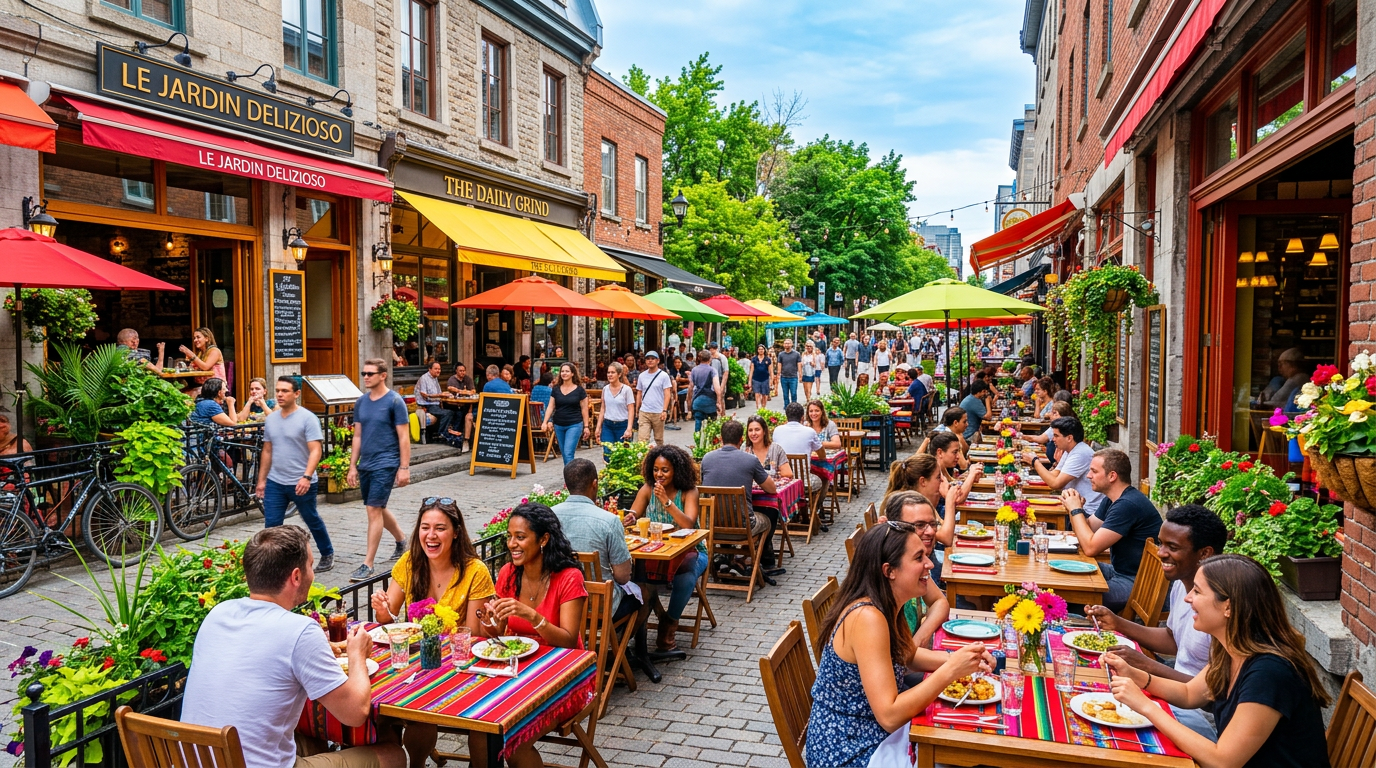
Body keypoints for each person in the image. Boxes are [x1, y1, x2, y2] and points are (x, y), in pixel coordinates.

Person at [181, 526, 407, 768]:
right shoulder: (299, 631)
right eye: (311, 565)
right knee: (393, 755)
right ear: (296, 576)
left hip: (197, 759)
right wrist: (357, 656)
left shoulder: (219, 613)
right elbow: (355, 713)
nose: (314, 573)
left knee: (311, 737)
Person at [1105, 554, 1331, 768]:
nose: (1188, 598)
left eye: (1197, 591)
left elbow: (1223, 761)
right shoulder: (1232, 648)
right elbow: (1188, 693)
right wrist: (1136, 676)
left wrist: (1146, 707)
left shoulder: (1269, 672)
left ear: (1229, 607)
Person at [805, 522, 993, 767]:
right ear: (889, 571)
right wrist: (950, 671)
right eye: (919, 558)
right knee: (968, 753)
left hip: (868, 734)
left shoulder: (887, 602)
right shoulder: (867, 618)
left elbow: (907, 655)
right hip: (850, 750)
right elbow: (889, 716)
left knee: (964, 738)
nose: (930, 564)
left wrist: (962, 659)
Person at [369, 497, 496, 766]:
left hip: (459, 670)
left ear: (456, 532)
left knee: (423, 711)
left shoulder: (475, 571)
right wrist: (381, 608)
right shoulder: (409, 563)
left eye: (440, 528)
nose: (431, 535)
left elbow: (473, 636)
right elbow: (388, 618)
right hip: (415, 667)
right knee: (376, 705)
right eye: (425, 527)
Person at [1085, 504, 1225, 740]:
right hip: (1170, 691)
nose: (1161, 553)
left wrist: (1147, 667)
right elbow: (1173, 639)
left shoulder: (1221, 610)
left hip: (1196, 714)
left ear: (1204, 553)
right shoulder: (1181, 584)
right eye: (1161, 544)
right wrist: (1118, 622)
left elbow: (1209, 696)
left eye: (1172, 547)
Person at [484, 503, 588, 768]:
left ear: (543, 539)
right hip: (516, 671)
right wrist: (489, 622)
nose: (512, 544)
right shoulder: (509, 573)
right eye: (509, 536)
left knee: (512, 737)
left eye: (520, 537)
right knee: (480, 724)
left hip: (563, 677)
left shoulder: (568, 577)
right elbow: (498, 631)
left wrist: (532, 615)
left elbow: (568, 641)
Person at [1062, 448, 1162, 612]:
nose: (1088, 476)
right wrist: (1074, 507)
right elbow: (1089, 527)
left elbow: (1090, 548)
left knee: (1070, 598)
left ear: (1112, 476)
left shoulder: (1127, 505)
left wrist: (1075, 510)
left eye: (1094, 471)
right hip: (1120, 571)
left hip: (1138, 583)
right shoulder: (1114, 499)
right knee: (1067, 573)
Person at [256, 376, 334, 573]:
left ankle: (327, 553)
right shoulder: (272, 419)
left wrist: (307, 476)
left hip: (301, 481)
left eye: (285, 391)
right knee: (272, 525)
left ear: (296, 394)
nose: (280, 394)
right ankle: (274, 562)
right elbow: (267, 450)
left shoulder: (308, 418)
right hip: (276, 480)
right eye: (278, 391)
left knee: (311, 518)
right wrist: (262, 480)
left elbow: (316, 450)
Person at [346, 359, 409, 582]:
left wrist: (403, 467)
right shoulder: (361, 402)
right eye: (364, 373)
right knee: (377, 507)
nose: (365, 377)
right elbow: (358, 436)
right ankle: (402, 539)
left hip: (387, 461)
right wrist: (352, 465)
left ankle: (368, 564)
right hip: (367, 463)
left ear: (383, 375)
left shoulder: (394, 401)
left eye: (370, 373)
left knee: (373, 509)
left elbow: (403, 436)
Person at [700, 421, 782, 578]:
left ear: (721, 439)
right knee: (769, 515)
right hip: (743, 527)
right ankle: (756, 558)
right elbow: (771, 489)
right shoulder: (750, 460)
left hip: (712, 525)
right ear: (741, 440)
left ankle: (728, 557)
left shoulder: (707, 458)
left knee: (725, 510)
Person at [881, 491, 951, 649]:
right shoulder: (892, 571)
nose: (931, 532)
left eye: (933, 524)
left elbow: (940, 602)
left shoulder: (917, 564)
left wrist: (916, 643)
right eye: (919, 525)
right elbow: (897, 662)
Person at [1023, 415, 1104, 513]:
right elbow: (1054, 475)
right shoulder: (1070, 450)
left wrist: (1034, 461)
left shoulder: (1081, 453)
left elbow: (1055, 484)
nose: (1053, 439)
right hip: (1074, 504)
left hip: (1087, 510)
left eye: (1056, 436)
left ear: (1069, 438)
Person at [544, 362, 589, 466]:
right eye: (562, 371)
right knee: (564, 454)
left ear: (572, 373)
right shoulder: (555, 389)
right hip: (559, 425)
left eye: (567, 371)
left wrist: (586, 426)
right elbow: (551, 406)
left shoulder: (580, 390)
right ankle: (569, 477)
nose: (564, 373)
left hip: (574, 424)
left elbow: (584, 409)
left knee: (568, 453)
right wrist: (545, 421)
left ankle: (570, 480)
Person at [636, 350, 675, 445]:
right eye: (648, 359)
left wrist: (665, 410)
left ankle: (658, 458)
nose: (650, 361)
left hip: (658, 412)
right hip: (644, 411)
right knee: (642, 440)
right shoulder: (642, 376)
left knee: (658, 439)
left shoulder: (663, 376)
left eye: (652, 359)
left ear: (657, 361)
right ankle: (643, 459)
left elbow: (667, 394)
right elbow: (639, 393)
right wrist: (637, 409)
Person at [745, 415, 793, 479]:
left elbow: (788, 473)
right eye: (750, 430)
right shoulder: (744, 450)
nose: (753, 433)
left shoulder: (776, 449)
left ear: (764, 431)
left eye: (757, 430)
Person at [413, 359, 452, 437]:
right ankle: (441, 433)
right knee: (448, 413)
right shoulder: (424, 378)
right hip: (427, 405)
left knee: (455, 410)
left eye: (439, 369)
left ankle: (449, 432)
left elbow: (439, 393)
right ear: (430, 369)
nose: (438, 371)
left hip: (435, 404)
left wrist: (442, 396)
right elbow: (424, 394)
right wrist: (440, 395)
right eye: (436, 369)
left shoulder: (435, 378)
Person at [689, 349, 723, 432]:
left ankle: (697, 442)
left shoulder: (694, 370)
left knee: (698, 423)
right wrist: (719, 402)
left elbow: (690, 388)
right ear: (710, 359)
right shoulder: (712, 370)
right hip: (710, 401)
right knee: (712, 426)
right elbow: (717, 388)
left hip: (697, 401)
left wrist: (689, 403)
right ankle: (709, 443)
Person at [776, 337, 801, 407]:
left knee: (793, 393)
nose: (787, 345)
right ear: (783, 345)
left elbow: (799, 365)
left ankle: (794, 406)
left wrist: (800, 375)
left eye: (788, 343)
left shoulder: (796, 354)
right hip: (784, 377)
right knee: (785, 394)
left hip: (793, 377)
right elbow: (779, 364)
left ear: (791, 344)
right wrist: (778, 374)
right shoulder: (781, 354)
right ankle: (786, 406)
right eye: (785, 343)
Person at [750, 344, 773, 409]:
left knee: (764, 395)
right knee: (757, 394)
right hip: (756, 379)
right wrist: (750, 381)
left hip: (765, 379)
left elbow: (771, 371)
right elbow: (751, 371)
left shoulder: (768, 359)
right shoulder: (754, 359)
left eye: (762, 349)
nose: (761, 350)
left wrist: (771, 380)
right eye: (759, 349)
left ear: (764, 350)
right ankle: (758, 407)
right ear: (757, 350)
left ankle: (763, 407)